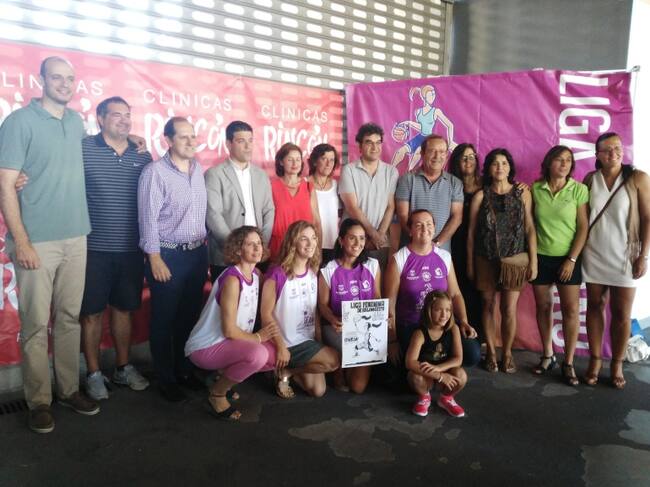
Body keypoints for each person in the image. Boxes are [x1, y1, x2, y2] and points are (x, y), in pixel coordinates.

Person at [0, 56, 99, 433]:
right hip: (37, 242)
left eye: (70, 78)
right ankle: (39, 401)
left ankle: (69, 390)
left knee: (70, 318)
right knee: (36, 325)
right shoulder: (18, 122)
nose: (64, 84)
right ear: (40, 79)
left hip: (77, 236)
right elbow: (5, 184)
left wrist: (133, 140)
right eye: (56, 77)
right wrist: (22, 242)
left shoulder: (75, 122)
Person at [77, 96, 152, 400]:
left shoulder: (142, 155)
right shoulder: (83, 148)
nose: (124, 120)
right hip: (92, 249)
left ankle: (123, 367)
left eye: (127, 115)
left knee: (124, 309)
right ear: (100, 118)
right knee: (91, 313)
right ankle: (94, 374)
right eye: (116, 114)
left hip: (131, 250)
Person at [138, 117, 208, 402]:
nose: (191, 142)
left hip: (197, 254)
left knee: (188, 317)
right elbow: (148, 219)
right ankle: (165, 379)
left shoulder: (198, 169)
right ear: (168, 140)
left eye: (193, 136)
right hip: (167, 256)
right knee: (164, 320)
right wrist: (154, 257)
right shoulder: (155, 173)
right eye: (183, 137)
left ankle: (184, 371)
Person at [185, 226, 280, 421]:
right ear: (238, 250)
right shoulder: (232, 280)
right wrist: (258, 337)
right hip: (206, 347)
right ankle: (217, 394)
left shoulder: (256, 275)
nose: (257, 248)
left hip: (230, 343)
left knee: (274, 355)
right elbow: (228, 330)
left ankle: (220, 377)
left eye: (259, 243)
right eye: (250, 244)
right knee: (258, 354)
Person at [581, 132, 650, 389]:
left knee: (621, 314)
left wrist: (643, 256)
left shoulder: (637, 178)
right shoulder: (590, 179)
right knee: (594, 306)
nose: (614, 153)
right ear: (597, 154)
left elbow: (647, 218)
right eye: (608, 149)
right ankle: (595, 360)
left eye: (618, 148)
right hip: (594, 253)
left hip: (625, 256)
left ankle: (617, 363)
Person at [466, 148, 537, 374]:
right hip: (484, 258)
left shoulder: (522, 193)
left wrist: (533, 261)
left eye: (504, 163)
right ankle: (491, 353)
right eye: (495, 163)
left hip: (514, 259)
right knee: (487, 306)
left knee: (508, 308)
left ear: (510, 168)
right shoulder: (480, 196)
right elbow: (471, 233)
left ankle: (507, 353)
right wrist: (470, 264)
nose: (500, 167)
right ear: (488, 168)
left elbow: (530, 228)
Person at [384, 209, 480, 370]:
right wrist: (392, 339)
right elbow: (390, 302)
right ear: (410, 230)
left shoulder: (444, 257)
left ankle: (439, 370)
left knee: (472, 353)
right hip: (412, 325)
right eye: (418, 225)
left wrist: (464, 321)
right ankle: (438, 371)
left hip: (441, 324)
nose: (425, 229)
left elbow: (455, 294)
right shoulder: (399, 259)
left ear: (434, 228)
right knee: (406, 365)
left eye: (429, 224)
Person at [260, 220, 339, 398]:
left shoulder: (312, 272)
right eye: (304, 238)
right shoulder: (277, 274)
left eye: (314, 238)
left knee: (318, 390)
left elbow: (314, 311)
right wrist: (281, 347)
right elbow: (265, 315)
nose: (311, 243)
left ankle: (287, 372)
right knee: (333, 360)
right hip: (286, 342)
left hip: (305, 341)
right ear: (292, 242)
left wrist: (319, 339)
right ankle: (281, 366)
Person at [530, 146, 588, 386]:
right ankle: (548, 355)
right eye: (559, 160)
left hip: (568, 258)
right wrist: (533, 258)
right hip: (541, 257)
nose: (564, 164)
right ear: (548, 163)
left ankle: (569, 362)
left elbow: (583, 227)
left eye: (568, 160)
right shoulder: (535, 189)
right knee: (543, 307)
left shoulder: (579, 190)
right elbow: (530, 225)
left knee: (571, 310)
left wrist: (571, 260)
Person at [205, 120, 274, 280]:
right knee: (226, 296)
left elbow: (269, 210)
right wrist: (235, 249)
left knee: (255, 295)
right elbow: (213, 215)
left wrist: (261, 245)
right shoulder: (214, 174)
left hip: (257, 256)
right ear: (228, 144)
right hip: (226, 256)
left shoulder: (261, 175)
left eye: (250, 140)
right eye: (241, 141)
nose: (248, 146)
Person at [318, 219, 381, 393]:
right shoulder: (328, 269)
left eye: (362, 238)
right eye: (352, 238)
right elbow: (322, 305)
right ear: (341, 240)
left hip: (364, 327)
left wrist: (381, 318)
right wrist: (333, 319)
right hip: (337, 327)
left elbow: (377, 296)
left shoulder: (372, 265)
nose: (357, 243)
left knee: (358, 387)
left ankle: (348, 364)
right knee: (348, 379)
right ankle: (338, 366)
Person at [339, 123, 398, 269]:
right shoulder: (348, 170)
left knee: (378, 280)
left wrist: (380, 235)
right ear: (359, 146)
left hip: (380, 242)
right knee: (350, 278)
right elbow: (352, 207)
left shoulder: (391, 172)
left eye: (378, 142)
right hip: (353, 241)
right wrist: (372, 234)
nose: (374, 147)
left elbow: (391, 206)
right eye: (369, 142)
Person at [395, 134, 463, 252]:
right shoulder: (407, 180)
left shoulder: (455, 183)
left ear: (446, 155)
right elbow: (402, 216)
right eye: (432, 151)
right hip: (411, 249)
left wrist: (436, 244)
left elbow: (456, 217)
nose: (437, 156)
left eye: (442, 152)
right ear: (422, 153)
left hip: (441, 250)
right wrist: (421, 243)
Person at [406, 291, 467, 418]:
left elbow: (458, 359)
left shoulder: (454, 329)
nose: (444, 315)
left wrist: (439, 369)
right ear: (429, 311)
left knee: (461, 375)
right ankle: (424, 397)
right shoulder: (420, 333)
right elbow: (410, 362)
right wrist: (439, 376)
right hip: (426, 377)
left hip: (445, 375)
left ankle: (446, 398)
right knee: (413, 376)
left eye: (448, 310)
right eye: (438, 310)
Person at [449, 143, 483, 336]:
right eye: (463, 158)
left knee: (480, 291)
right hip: (455, 242)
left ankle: (478, 335)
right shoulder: (450, 184)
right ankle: (458, 332)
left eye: (471, 157)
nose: (468, 161)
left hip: (481, 245)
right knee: (458, 287)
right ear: (456, 162)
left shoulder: (486, 184)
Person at [268, 143, 321, 260]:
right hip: (279, 247)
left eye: (298, 159)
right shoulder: (271, 186)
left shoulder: (308, 186)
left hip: (305, 247)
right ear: (281, 162)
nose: (295, 163)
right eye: (290, 160)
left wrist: (318, 252)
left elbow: (317, 222)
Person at [390, 85, 457, 170]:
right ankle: (389, 170)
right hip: (420, 136)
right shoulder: (418, 112)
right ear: (424, 97)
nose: (433, 97)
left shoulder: (436, 111)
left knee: (418, 151)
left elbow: (450, 125)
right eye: (430, 95)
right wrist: (409, 123)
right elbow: (421, 127)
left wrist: (450, 141)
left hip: (429, 139)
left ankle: (409, 172)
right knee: (400, 151)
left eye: (433, 94)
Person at [307, 143, 340, 265]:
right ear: (315, 162)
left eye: (332, 160)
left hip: (334, 244)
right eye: (324, 159)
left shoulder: (337, 185)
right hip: (310, 244)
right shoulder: (305, 184)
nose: (328, 164)